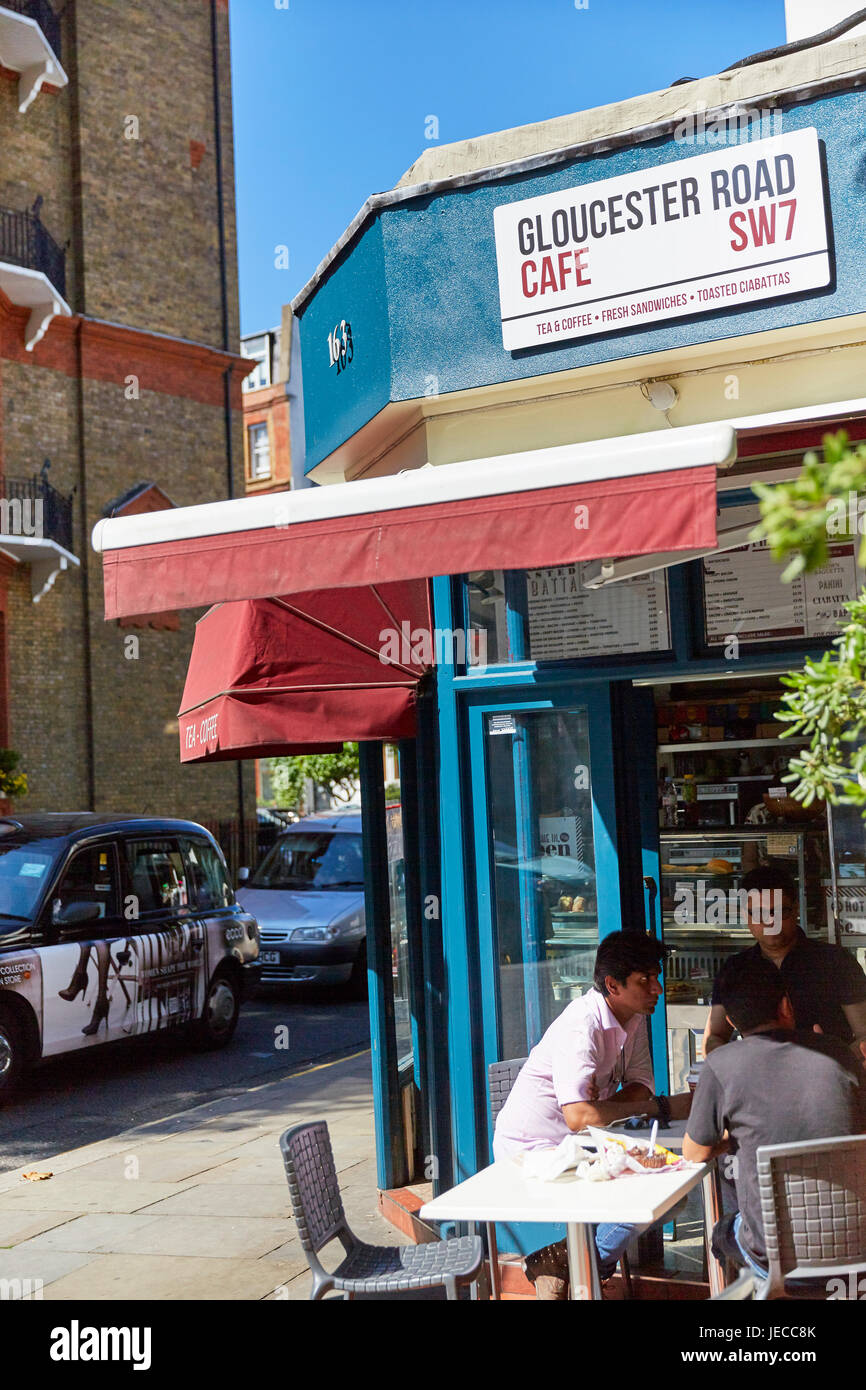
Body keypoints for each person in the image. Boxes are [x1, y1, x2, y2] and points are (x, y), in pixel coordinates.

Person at [493, 930, 691, 1298]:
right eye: (644, 981)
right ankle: (579, 1266)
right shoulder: (580, 1026)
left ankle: (560, 1262)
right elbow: (579, 1116)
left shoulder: (631, 1016)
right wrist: (661, 1107)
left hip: (582, 1146)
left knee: (671, 1192)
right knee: (647, 1196)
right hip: (534, 1153)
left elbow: (640, 1084)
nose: (657, 989)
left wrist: (608, 1108)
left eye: (657, 977)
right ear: (612, 985)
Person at [684, 950, 866, 1282]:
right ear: (785, 1005)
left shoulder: (721, 1064)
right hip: (858, 1247)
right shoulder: (840, 1053)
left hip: (774, 1258)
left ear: (733, 1022)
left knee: (725, 1229)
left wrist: (740, 1135)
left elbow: (694, 1152)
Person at [703, 865, 866, 1058]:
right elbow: (713, 1036)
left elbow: (864, 1035)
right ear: (745, 915)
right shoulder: (735, 969)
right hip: (758, 1081)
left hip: (828, 1081)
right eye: (759, 913)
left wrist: (831, 1063)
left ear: (796, 909)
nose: (771, 921)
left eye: (780, 911)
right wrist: (741, 1065)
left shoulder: (836, 962)